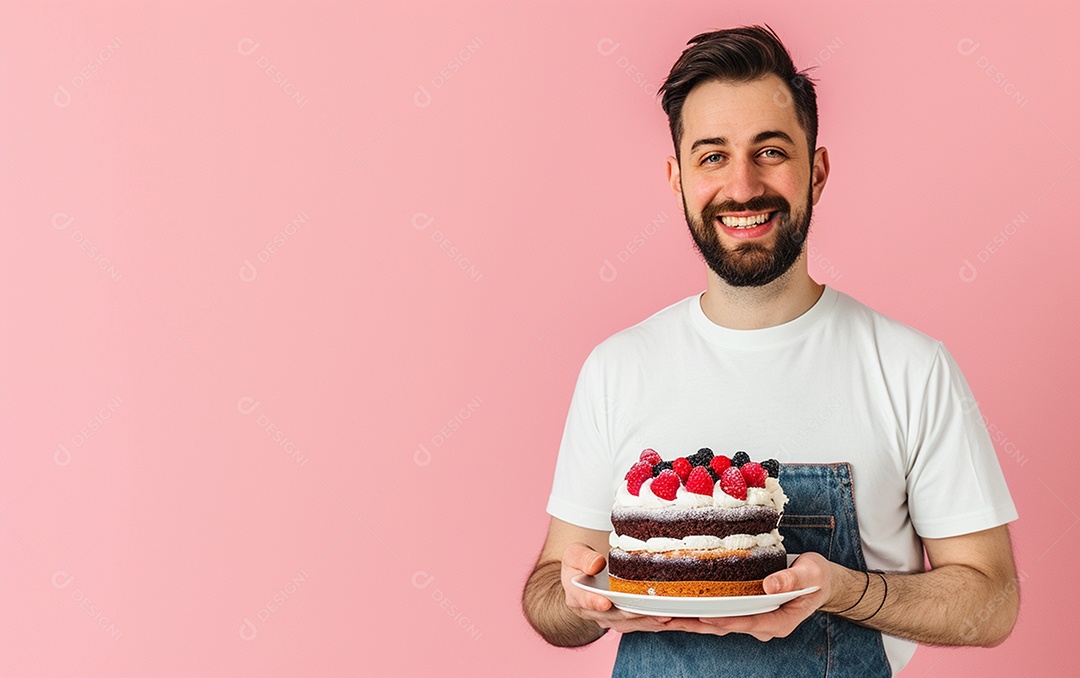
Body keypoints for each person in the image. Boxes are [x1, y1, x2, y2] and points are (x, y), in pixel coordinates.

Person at [521, 25, 1019, 677]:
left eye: (771, 150)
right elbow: (547, 595)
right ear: (677, 179)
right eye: (712, 156)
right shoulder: (617, 369)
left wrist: (845, 591)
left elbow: (993, 602)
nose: (743, 185)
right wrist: (587, 599)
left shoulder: (910, 368)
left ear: (816, 170)